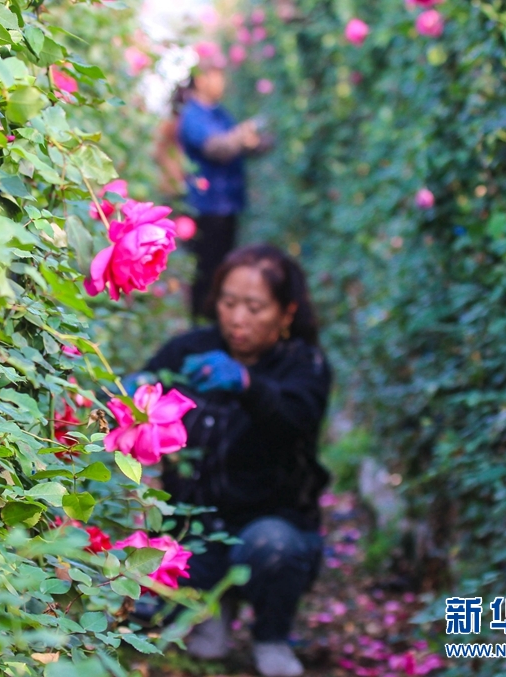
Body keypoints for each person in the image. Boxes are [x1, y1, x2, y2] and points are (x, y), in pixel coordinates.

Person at [130, 244, 331, 677]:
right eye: (228, 302)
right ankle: (211, 611)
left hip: (268, 524)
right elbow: (145, 384)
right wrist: (136, 389)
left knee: (273, 548)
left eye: (255, 307)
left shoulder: (304, 366)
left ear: (286, 311)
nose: (238, 318)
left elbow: (297, 418)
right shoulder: (189, 349)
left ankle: (272, 635)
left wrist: (248, 385)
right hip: (194, 526)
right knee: (153, 614)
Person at [177, 47, 269, 319]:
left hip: (226, 205)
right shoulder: (192, 116)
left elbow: (241, 144)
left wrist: (255, 141)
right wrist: (242, 136)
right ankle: (200, 328)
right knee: (206, 274)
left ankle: (214, 325)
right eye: (218, 75)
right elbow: (217, 147)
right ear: (202, 79)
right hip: (206, 208)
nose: (223, 81)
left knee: (222, 271)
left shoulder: (219, 113)